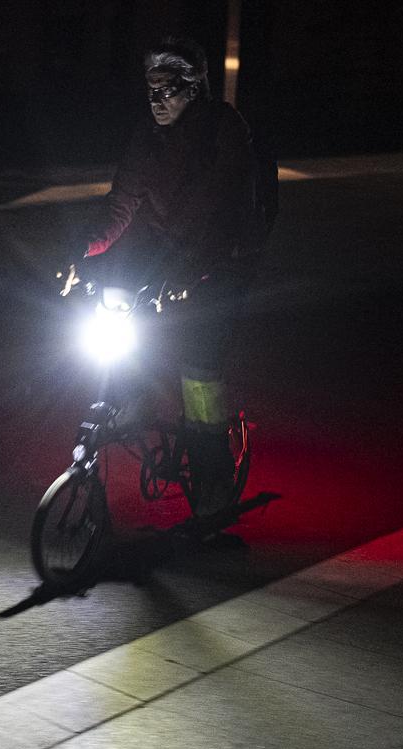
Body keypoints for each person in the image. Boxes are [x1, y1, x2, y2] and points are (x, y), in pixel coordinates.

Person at [76, 36, 261, 519]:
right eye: (150, 90)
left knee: (199, 376)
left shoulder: (224, 130)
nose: (157, 101)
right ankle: (131, 402)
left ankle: (214, 489)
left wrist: (184, 276)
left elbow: (217, 212)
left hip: (221, 261)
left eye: (168, 90)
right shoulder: (147, 137)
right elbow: (122, 203)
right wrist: (83, 249)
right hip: (167, 253)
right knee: (121, 318)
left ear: (194, 88)